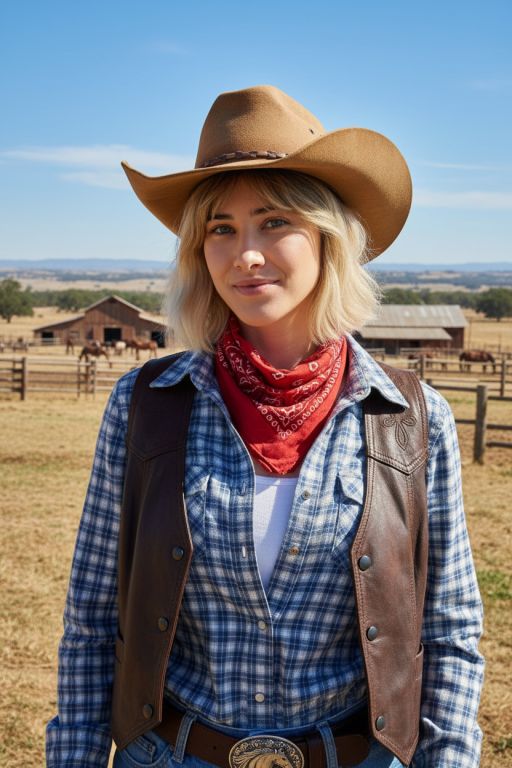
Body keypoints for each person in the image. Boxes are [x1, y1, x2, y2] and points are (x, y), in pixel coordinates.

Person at [46, 85, 484, 768]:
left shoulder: (410, 417)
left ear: (326, 236)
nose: (245, 253)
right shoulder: (147, 403)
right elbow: (93, 623)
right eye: (221, 228)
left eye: (274, 222)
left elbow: (450, 632)